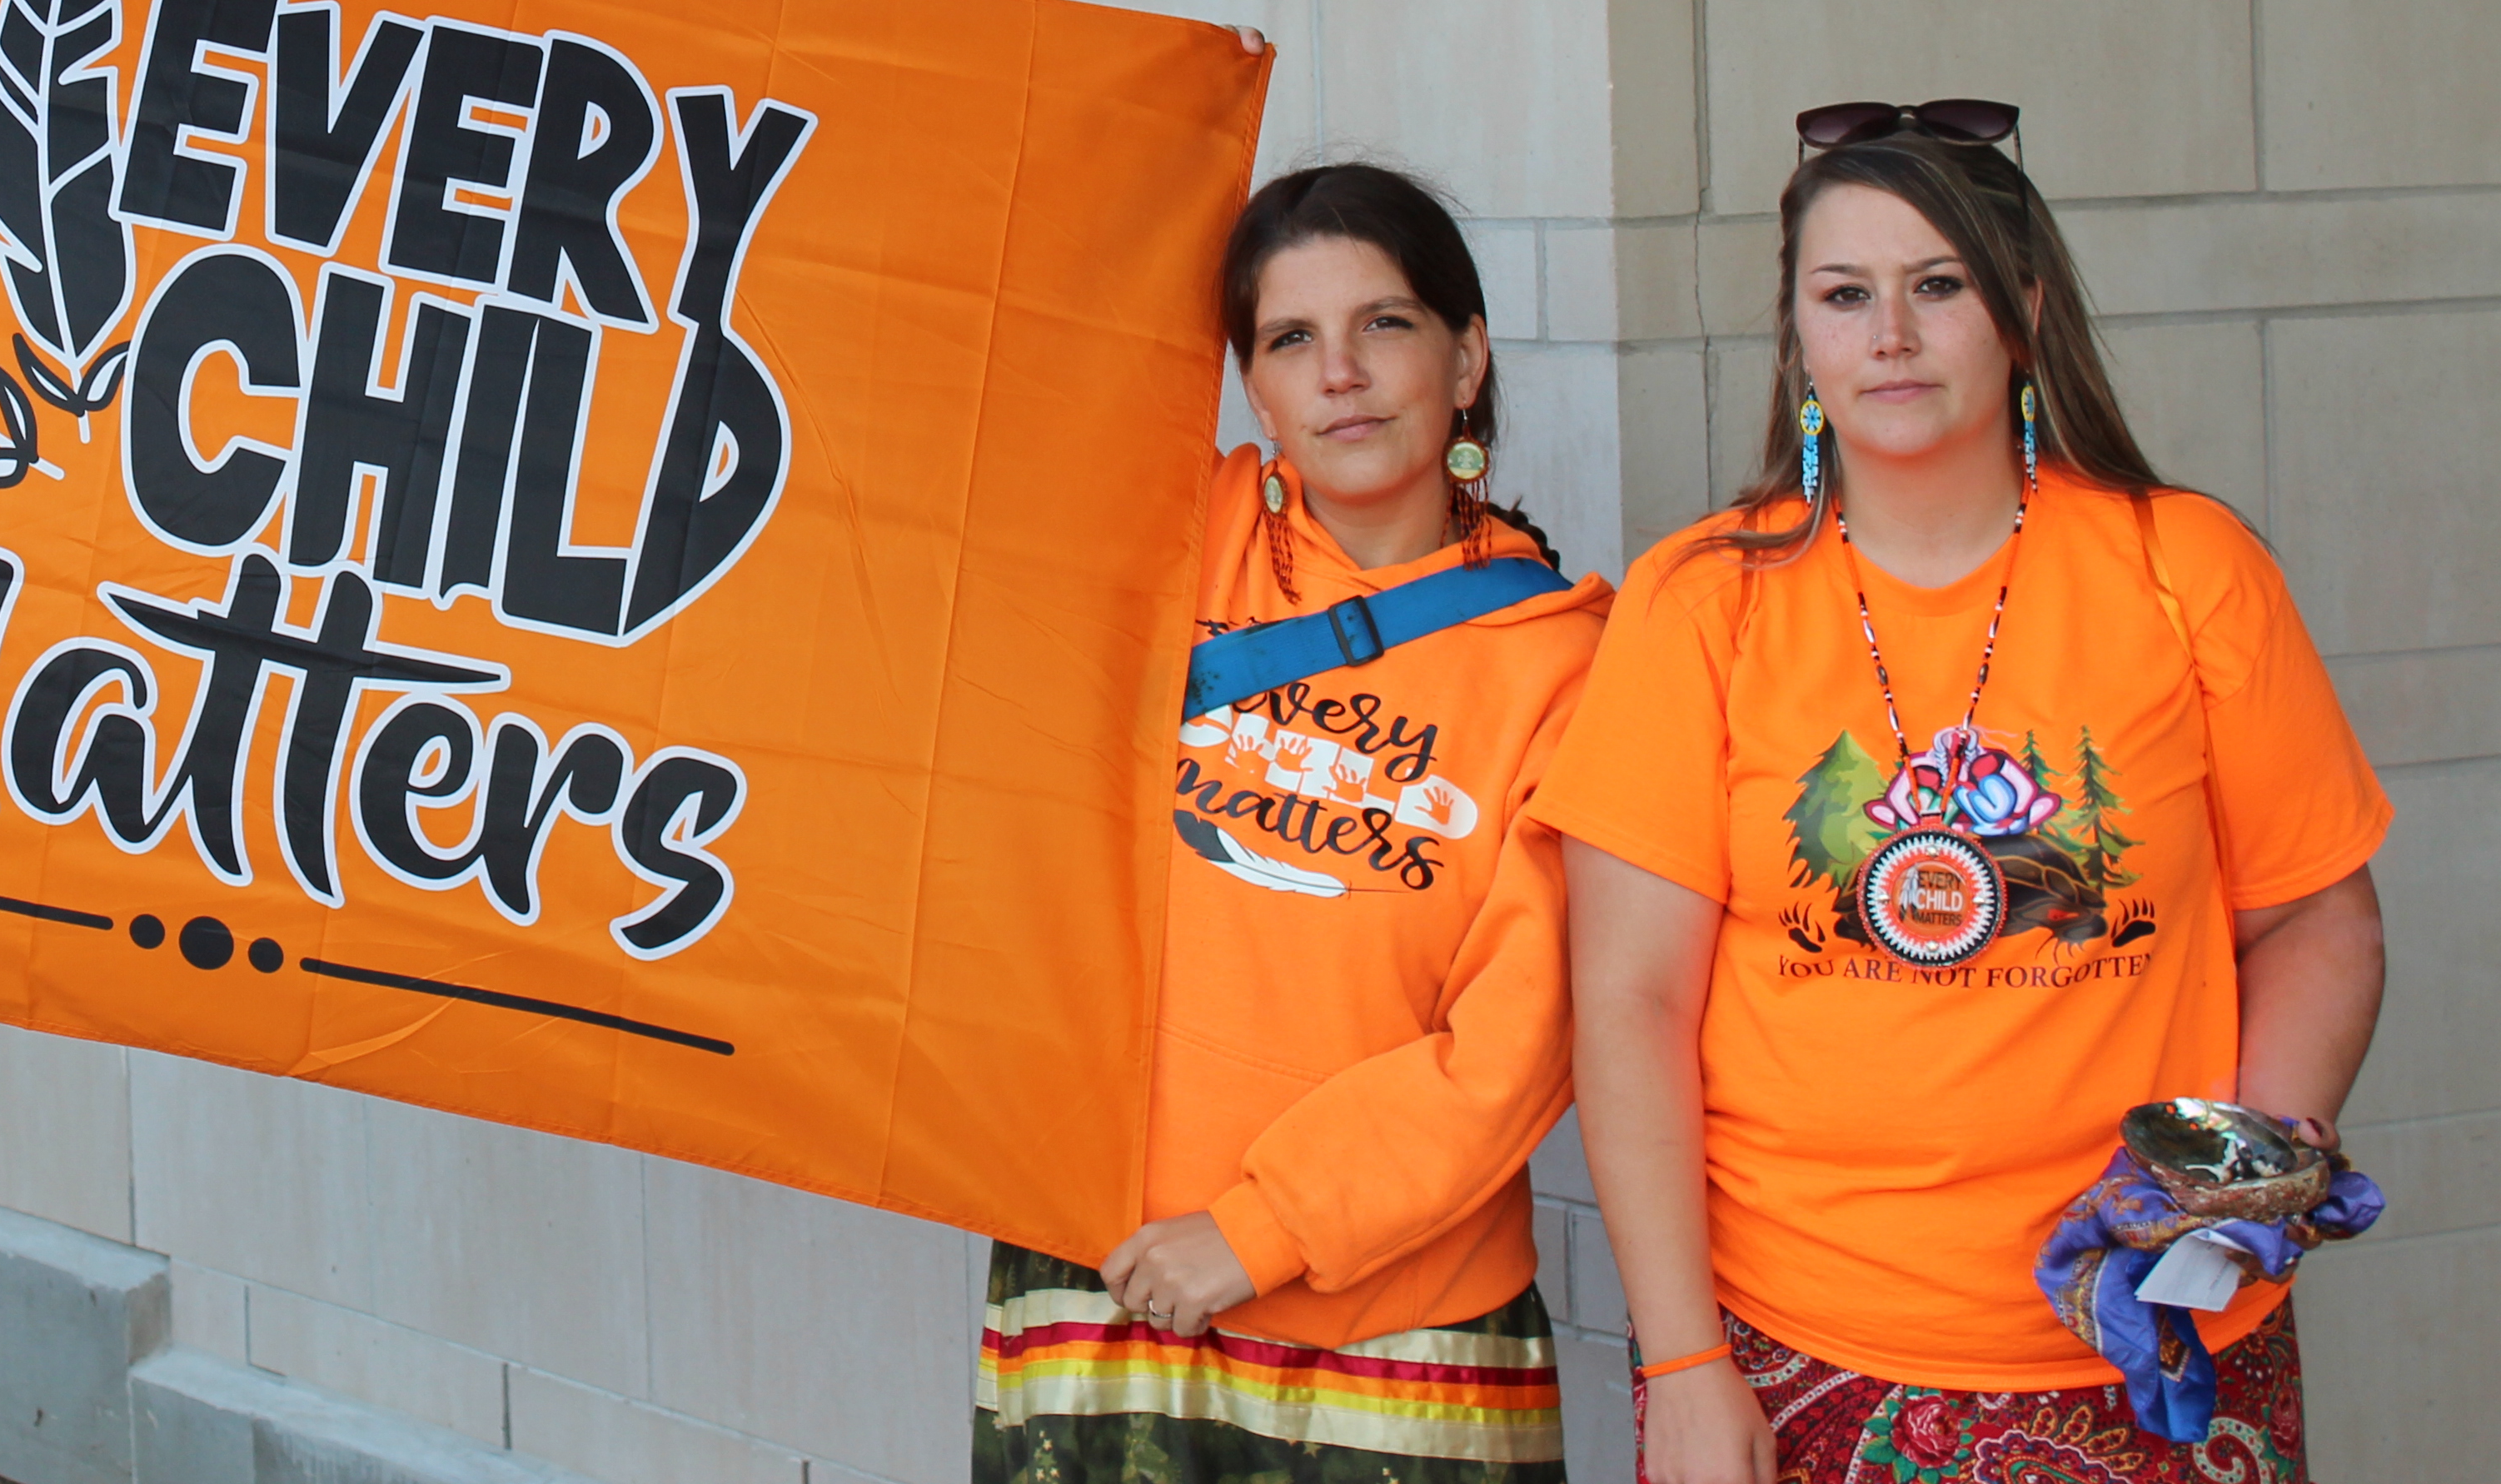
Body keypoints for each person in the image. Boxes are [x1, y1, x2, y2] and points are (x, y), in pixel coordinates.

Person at [1543, 103, 2392, 1484]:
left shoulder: (2188, 567)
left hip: (2150, 1337)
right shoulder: (1701, 604)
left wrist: (2229, 1200)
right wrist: (1683, 1362)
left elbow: (2319, 921)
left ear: (2023, 311)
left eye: (1939, 286)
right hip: (1795, 1342)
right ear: (1799, 333)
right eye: (1845, 294)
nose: (1890, 333)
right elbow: (1631, 1003)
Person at [981, 163, 1611, 1482]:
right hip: (1112, 1283)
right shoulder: (1169, 535)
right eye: (1289, 340)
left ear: (1469, 355)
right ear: (1250, 388)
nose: (1342, 373)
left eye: (1384, 323)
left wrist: (1262, 1231)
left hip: (1400, 1336)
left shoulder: (1571, 662)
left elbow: (1520, 1042)